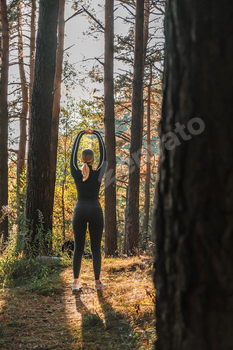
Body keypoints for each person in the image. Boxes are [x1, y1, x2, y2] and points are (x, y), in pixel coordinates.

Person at [70, 129, 107, 291]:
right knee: (96, 249)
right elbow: (105, 157)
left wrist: (80, 135)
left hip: (79, 210)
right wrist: (98, 135)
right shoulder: (98, 174)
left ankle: (75, 283)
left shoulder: (76, 173)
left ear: (81, 159)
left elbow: (72, 155)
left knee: (78, 248)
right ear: (93, 160)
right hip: (95, 210)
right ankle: (97, 283)